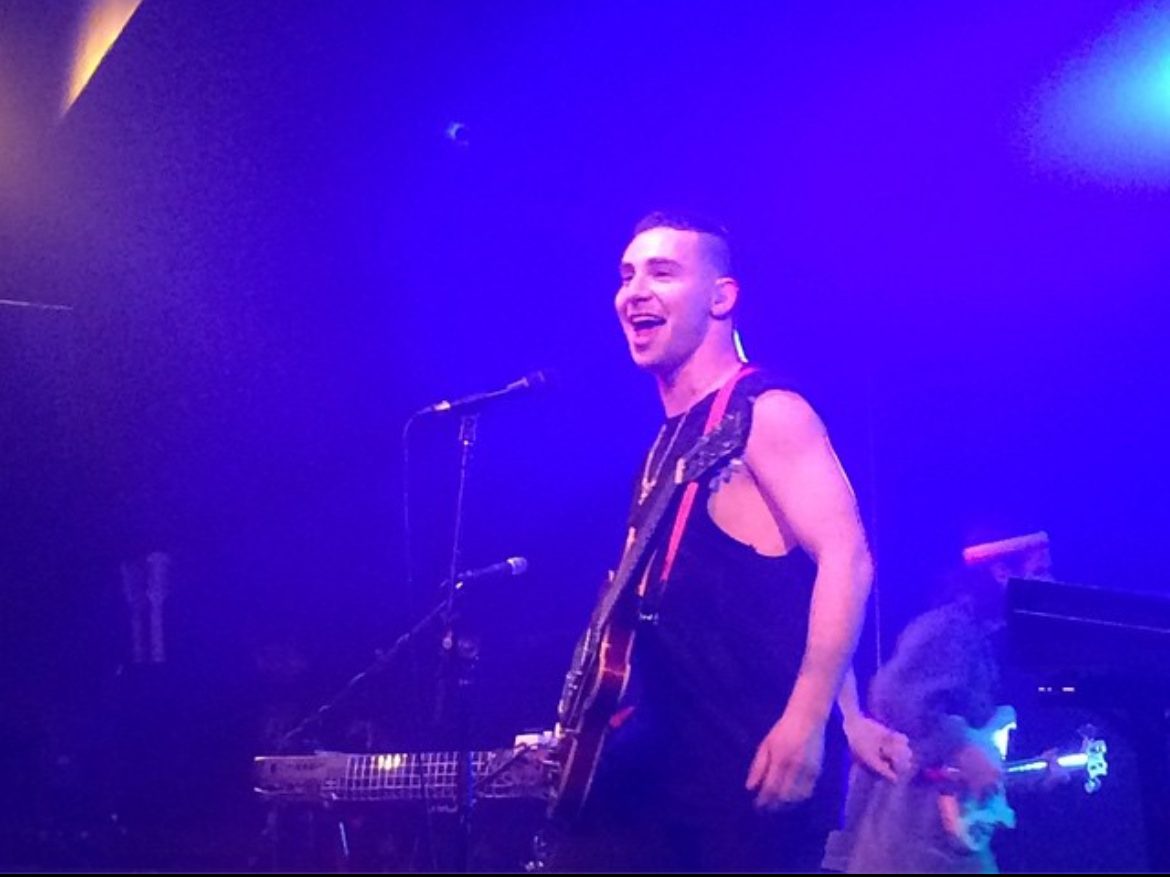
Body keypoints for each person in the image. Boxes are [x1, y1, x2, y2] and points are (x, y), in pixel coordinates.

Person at [549, 211, 889, 872]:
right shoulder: (662, 448)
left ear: (721, 296)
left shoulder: (768, 412)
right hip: (666, 792)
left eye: (663, 271)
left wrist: (810, 720)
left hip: (746, 791)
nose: (635, 291)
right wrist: (848, 712)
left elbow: (846, 558)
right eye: (627, 275)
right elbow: (791, 600)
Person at [822, 530, 1058, 874]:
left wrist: (1030, 773)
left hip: (941, 845)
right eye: (1039, 572)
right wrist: (963, 746)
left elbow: (960, 769)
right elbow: (895, 694)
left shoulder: (980, 639)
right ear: (1003, 573)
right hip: (911, 844)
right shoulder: (950, 628)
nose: (1050, 583)